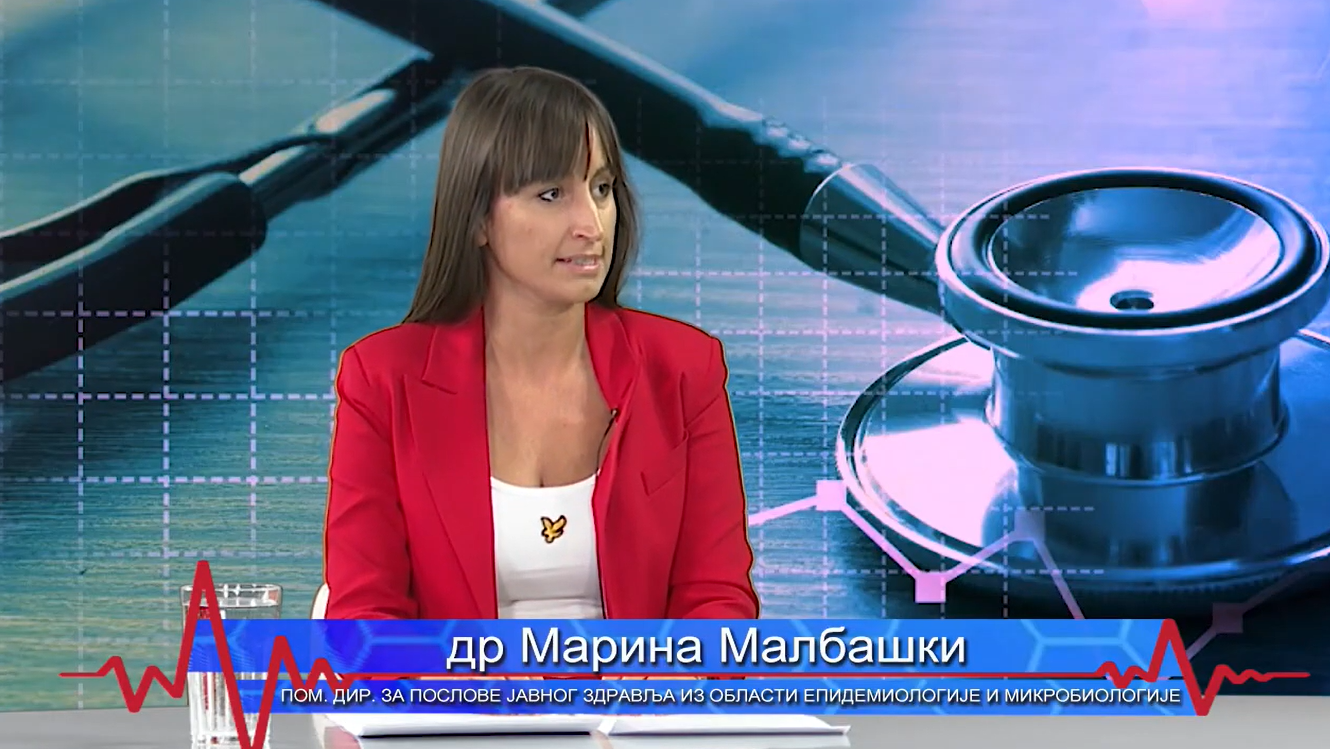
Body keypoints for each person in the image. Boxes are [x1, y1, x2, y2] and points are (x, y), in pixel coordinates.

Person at [321, 66, 759, 623]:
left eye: (601, 189)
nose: (591, 225)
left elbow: (717, 599)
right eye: (551, 194)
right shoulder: (381, 379)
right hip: (449, 681)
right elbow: (365, 613)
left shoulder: (683, 367)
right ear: (478, 219)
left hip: (640, 680)